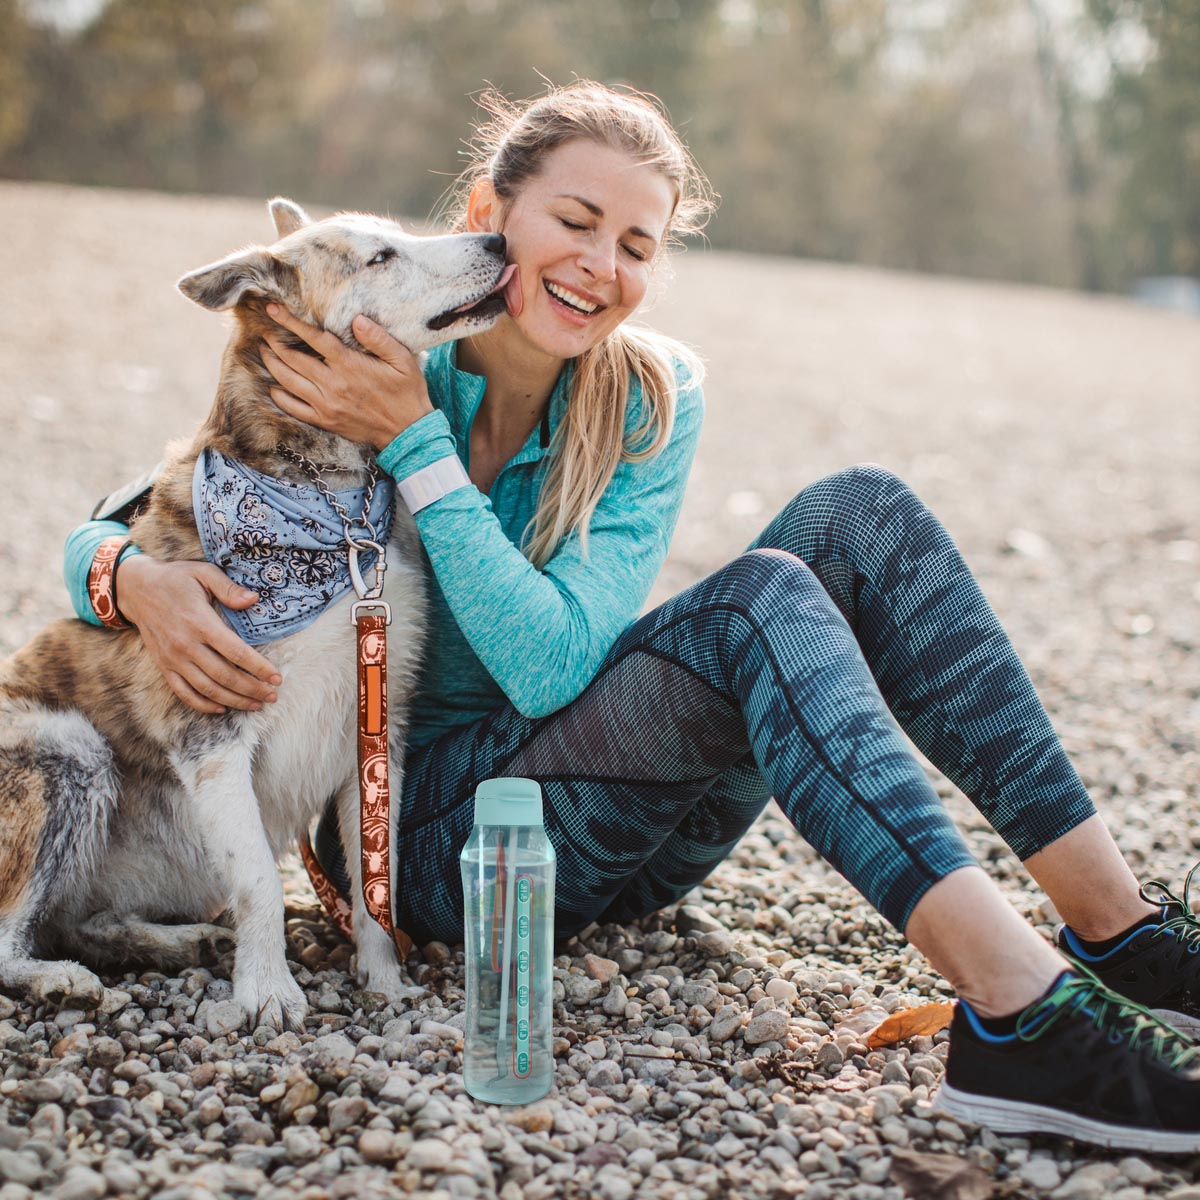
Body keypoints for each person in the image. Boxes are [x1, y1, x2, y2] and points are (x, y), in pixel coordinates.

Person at [64, 81, 1200, 1151]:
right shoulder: (377, 349)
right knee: (757, 606)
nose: (600, 266)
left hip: (620, 832)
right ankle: (1019, 1016)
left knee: (860, 515)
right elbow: (132, 514)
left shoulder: (649, 397)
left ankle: (1122, 937)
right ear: (489, 212)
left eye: (638, 245)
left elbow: (553, 664)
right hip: (428, 851)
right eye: (575, 219)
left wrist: (415, 453)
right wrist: (134, 581)